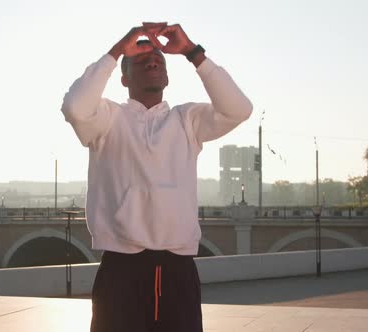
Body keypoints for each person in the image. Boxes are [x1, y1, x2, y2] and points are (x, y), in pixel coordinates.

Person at [61, 22, 252, 332]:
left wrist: (192, 51)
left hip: (178, 271)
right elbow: (74, 107)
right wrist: (117, 49)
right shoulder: (106, 118)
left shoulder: (187, 120)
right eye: (140, 59)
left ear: (167, 77)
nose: (152, 61)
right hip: (120, 271)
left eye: (159, 60)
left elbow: (239, 109)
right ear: (123, 78)